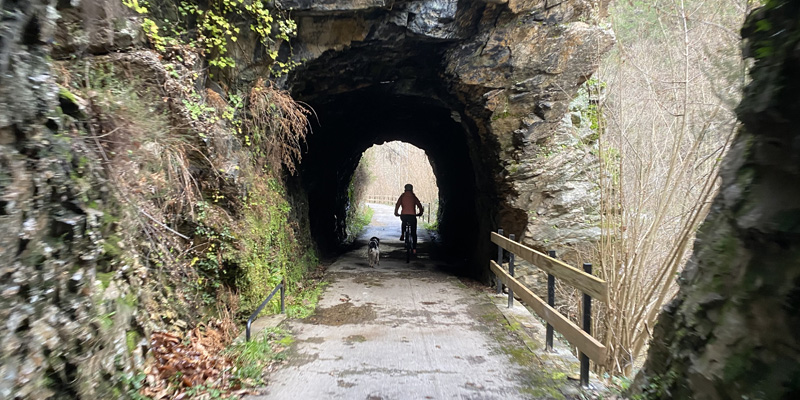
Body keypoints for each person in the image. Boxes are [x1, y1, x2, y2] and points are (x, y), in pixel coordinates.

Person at [394, 184, 424, 253]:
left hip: (404, 215)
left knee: (403, 222)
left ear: (405, 189)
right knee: (414, 232)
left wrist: (396, 212)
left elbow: (397, 205)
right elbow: (419, 205)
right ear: (412, 189)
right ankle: (414, 249)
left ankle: (403, 234)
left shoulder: (402, 196)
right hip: (412, 216)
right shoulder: (413, 197)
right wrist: (420, 213)